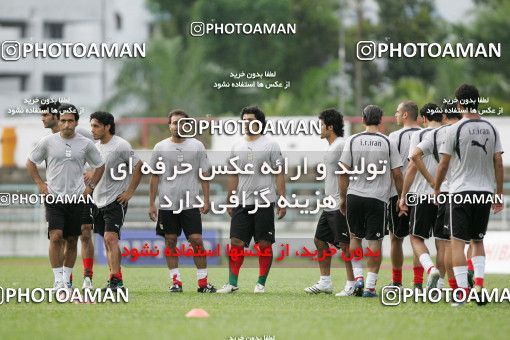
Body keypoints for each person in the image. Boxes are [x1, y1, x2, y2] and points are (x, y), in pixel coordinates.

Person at [434, 84, 504, 306]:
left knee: (457, 243)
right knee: (478, 240)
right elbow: (498, 161)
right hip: (484, 193)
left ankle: (462, 293)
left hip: (460, 192)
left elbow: (444, 163)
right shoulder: (491, 128)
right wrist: (498, 193)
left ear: (459, 103)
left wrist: (436, 188)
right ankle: (479, 286)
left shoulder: (454, 129)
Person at [27, 104, 105, 289]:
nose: (67, 124)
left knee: (72, 239)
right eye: (63, 121)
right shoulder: (48, 142)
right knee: (55, 236)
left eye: (70, 121)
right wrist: (40, 183)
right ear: (59, 122)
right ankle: (57, 281)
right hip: (54, 197)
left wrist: (91, 186)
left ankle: (67, 280)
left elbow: (100, 165)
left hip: (77, 197)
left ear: (76, 122)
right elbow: (31, 162)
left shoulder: (85, 143)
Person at [217, 106, 286, 294]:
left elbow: (279, 172)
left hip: (264, 201)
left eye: (250, 120)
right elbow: (233, 174)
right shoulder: (236, 146)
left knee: (263, 244)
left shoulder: (270, 144)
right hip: (241, 202)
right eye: (244, 120)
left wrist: (282, 199)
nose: (246, 123)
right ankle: (232, 283)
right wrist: (230, 198)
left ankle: (261, 283)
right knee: (236, 242)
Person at [148, 110, 217, 293]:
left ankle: (203, 283)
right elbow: (154, 176)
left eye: (182, 123)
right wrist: (151, 203)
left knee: (196, 241)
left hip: (190, 203)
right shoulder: (160, 147)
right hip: (166, 204)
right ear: (169, 125)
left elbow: (204, 174)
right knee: (170, 241)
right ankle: (176, 282)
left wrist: (206, 199)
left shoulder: (197, 146)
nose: (178, 126)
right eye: (174, 123)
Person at [339, 105, 403, 297]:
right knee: (375, 241)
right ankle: (369, 286)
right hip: (377, 198)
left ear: (363, 119)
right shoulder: (387, 142)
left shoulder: (352, 140)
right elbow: (397, 173)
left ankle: (357, 277)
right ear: (381, 119)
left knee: (354, 237)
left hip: (354, 196)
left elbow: (343, 172)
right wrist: (401, 197)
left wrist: (343, 197)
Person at [304, 109, 356, 296]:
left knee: (344, 245)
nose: (319, 128)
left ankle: (352, 283)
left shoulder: (341, 145)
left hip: (339, 203)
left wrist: (345, 198)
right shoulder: (332, 146)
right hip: (329, 203)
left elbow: (348, 171)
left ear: (330, 126)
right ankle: (325, 282)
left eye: (321, 125)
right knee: (319, 239)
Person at [90, 111, 143, 291]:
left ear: (107, 126)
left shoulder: (121, 145)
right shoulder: (96, 147)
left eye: (96, 126)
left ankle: (116, 281)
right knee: (107, 241)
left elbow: (139, 166)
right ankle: (114, 277)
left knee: (110, 238)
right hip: (97, 201)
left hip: (115, 200)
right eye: (91, 126)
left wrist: (129, 192)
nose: (93, 130)